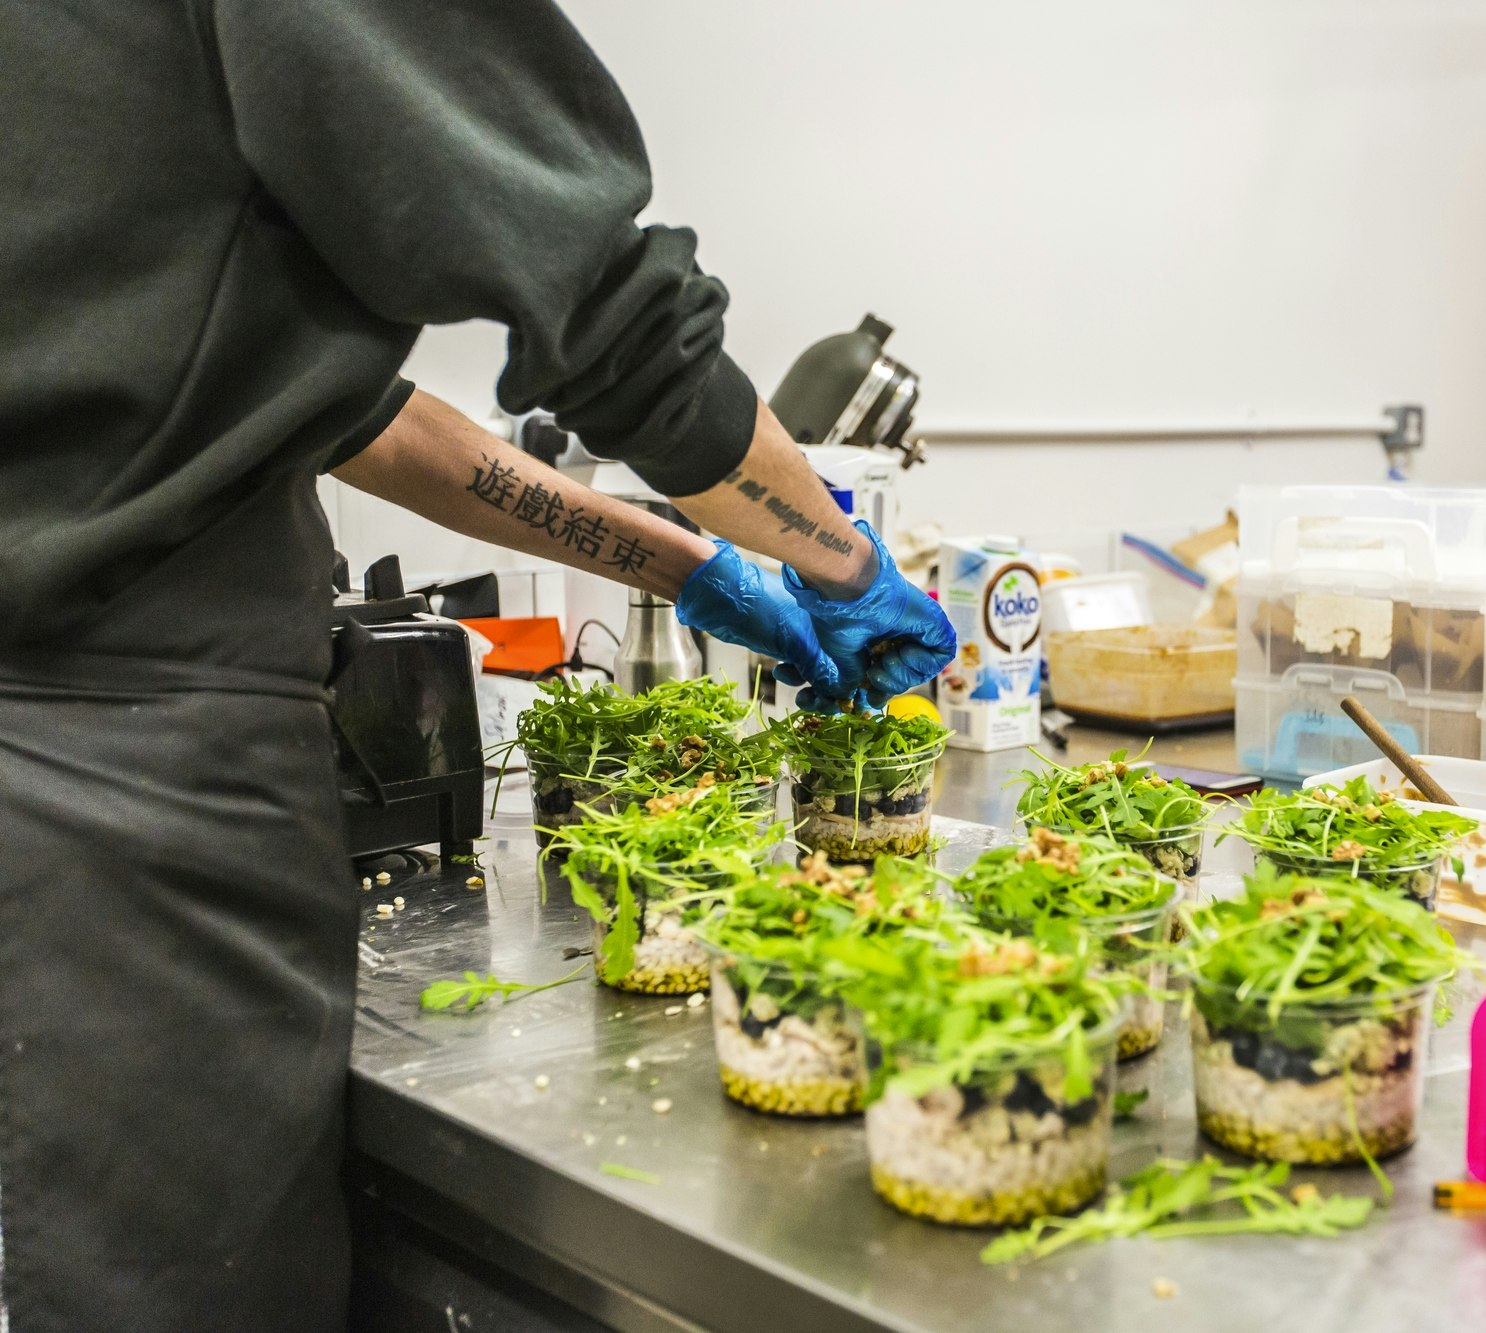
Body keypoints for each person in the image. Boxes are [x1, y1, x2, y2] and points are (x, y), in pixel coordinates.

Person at [0, 4, 953, 1329]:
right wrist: (843, 566)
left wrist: (693, 567)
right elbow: (616, 314)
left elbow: (360, 419)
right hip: (123, 803)